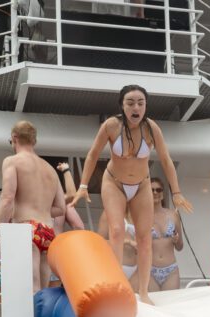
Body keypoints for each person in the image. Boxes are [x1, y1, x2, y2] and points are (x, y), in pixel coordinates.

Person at [69, 84, 193, 304]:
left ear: (145, 106)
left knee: (144, 238)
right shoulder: (111, 126)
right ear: (122, 106)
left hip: (141, 184)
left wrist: (176, 192)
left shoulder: (151, 128)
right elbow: (92, 155)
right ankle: (116, 285)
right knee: (116, 231)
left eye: (140, 103)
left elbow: (165, 160)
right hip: (114, 183)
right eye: (130, 103)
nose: (136, 107)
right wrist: (83, 186)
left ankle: (143, 293)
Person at [0, 121, 66, 292]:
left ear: (14, 138)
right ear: (33, 141)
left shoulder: (12, 161)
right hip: (48, 232)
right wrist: (41, 207)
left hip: (26, 229)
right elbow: (61, 209)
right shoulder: (50, 169)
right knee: (42, 293)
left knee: (29, 290)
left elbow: (7, 198)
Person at [142, 177, 183, 291]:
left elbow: (180, 247)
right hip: (149, 270)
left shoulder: (173, 215)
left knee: (170, 306)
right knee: (153, 306)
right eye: (151, 190)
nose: (155, 192)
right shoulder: (141, 217)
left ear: (163, 193)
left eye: (158, 190)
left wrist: (176, 240)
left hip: (171, 271)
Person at [97, 209, 138, 290]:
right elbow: (99, 242)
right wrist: (128, 242)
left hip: (138, 269)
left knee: (139, 301)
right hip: (120, 267)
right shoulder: (108, 212)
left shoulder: (138, 210)